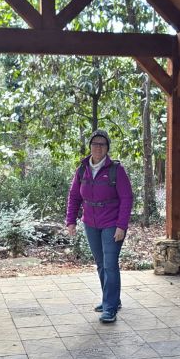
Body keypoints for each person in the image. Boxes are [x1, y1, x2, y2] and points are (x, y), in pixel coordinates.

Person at [66, 129, 133, 323]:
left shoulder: (116, 170)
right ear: (90, 147)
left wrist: (122, 226)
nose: (98, 147)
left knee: (110, 264)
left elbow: (127, 198)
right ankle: (112, 300)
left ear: (107, 148)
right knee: (101, 264)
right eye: (94, 144)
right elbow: (74, 196)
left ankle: (110, 308)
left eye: (102, 144)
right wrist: (71, 221)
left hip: (112, 223)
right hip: (90, 223)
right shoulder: (82, 169)